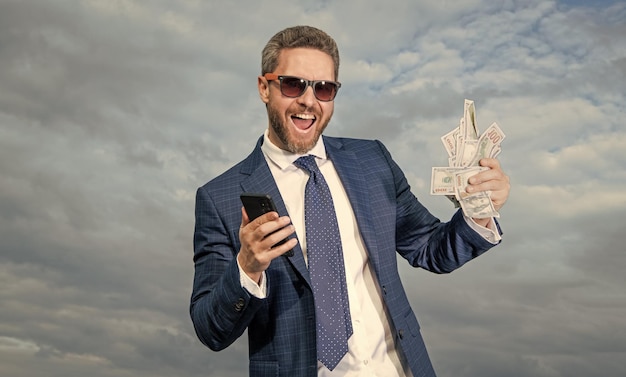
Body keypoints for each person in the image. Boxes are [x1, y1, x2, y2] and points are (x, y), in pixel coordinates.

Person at [190, 25, 510, 377]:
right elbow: (211, 330)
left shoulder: (372, 161)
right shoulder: (219, 197)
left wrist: (479, 213)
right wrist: (247, 267)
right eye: (293, 84)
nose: (309, 101)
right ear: (265, 88)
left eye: (324, 89)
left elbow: (430, 249)